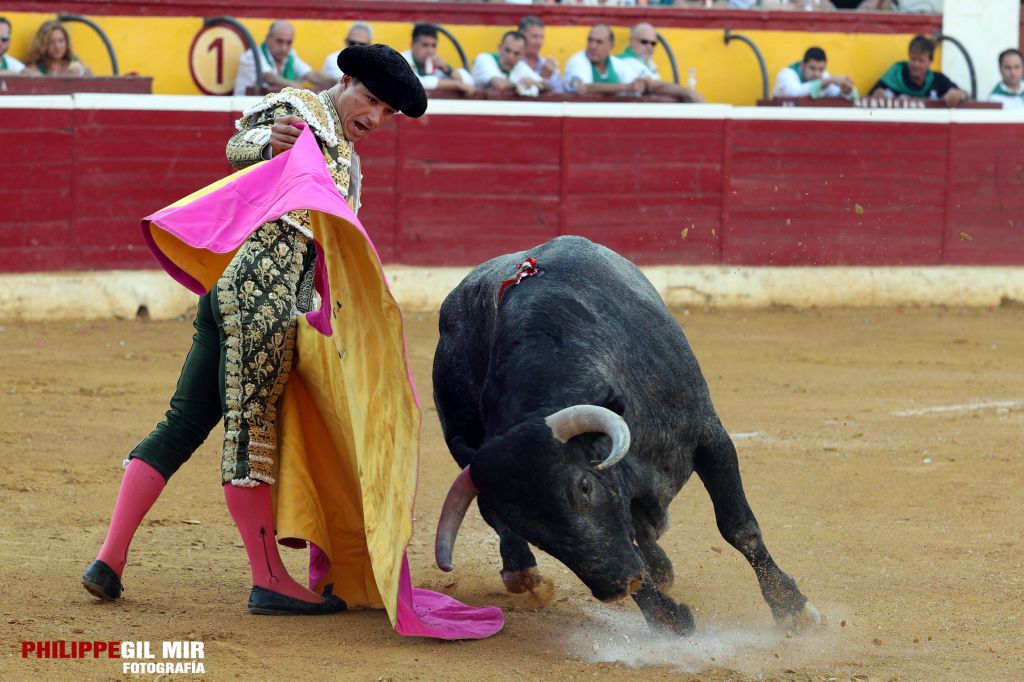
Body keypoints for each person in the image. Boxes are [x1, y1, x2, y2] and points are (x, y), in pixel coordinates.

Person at [82, 44, 428, 616]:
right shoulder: (300, 109)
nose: (374, 117)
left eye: (387, 112)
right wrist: (268, 144)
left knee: (184, 422)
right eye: (370, 99)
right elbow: (238, 144)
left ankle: (108, 562)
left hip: (242, 294)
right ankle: (268, 578)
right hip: (260, 296)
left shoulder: (349, 160)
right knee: (252, 433)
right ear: (345, 82)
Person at [232, 20, 334, 96]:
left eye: (288, 43)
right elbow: (269, 77)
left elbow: (311, 75)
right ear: (268, 38)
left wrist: (340, 84)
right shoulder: (252, 55)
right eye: (279, 41)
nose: (284, 48)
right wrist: (299, 89)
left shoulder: (290, 55)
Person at [869, 35, 968, 106]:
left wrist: (959, 94)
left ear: (930, 62)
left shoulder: (938, 80)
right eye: (913, 59)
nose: (916, 65)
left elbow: (965, 94)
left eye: (921, 61)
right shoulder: (894, 76)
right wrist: (875, 96)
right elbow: (867, 101)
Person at [617, 22, 704, 103]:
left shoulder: (650, 64)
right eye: (644, 42)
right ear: (631, 41)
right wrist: (687, 93)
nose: (649, 47)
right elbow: (652, 88)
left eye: (653, 43)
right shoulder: (624, 62)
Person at [564, 24, 645, 97]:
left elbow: (637, 85)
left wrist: (643, 84)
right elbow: (584, 87)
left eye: (599, 42)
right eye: (590, 40)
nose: (592, 46)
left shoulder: (616, 63)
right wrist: (626, 87)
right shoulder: (578, 61)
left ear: (610, 46)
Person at [401, 24, 474, 96]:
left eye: (433, 46)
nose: (430, 51)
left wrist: (447, 70)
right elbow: (415, 82)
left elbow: (469, 81)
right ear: (412, 45)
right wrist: (455, 84)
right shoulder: (402, 60)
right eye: (425, 45)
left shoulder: (436, 64)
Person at [471, 30, 543, 95]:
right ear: (499, 48)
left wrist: (534, 83)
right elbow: (499, 84)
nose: (510, 57)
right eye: (507, 50)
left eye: (516, 53)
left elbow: (545, 84)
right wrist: (521, 84)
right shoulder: (484, 58)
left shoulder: (519, 66)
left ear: (522, 56)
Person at [773, 46, 856, 99]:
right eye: (812, 68)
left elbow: (836, 95)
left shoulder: (824, 76)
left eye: (820, 69)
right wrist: (828, 81)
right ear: (803, 66)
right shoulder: (786, 74)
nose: (817, 74)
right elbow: (795, 93)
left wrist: (845, 91)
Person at [20, 20, 90, 77]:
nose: (57, 47)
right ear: (42, 45)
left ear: (67, 42)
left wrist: (84, 73)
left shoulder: (75, 62)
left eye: (61, 41)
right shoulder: (35, 68)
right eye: (51, 42)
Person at [517, 16, 562, 93]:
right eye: (534, 36)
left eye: (542, 37)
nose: (539, 42)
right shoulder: (513, 62)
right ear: (521, 36)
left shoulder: (548, 64)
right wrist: (543, 77)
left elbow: (559, 94)